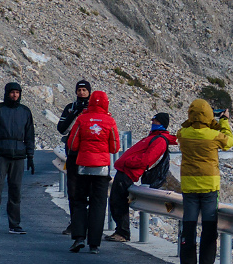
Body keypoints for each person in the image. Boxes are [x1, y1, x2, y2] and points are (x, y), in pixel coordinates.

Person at [176, 98, 233, 264]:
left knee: (189, 226)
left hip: (189, 186)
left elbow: (185, 126)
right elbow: (229, 142)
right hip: (209, 186)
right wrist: (222, 121)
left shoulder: (183, 134)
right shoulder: (214, 135)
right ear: (209, 115)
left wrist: (196, 120)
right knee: (209, 228)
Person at [66, 89, 120, 254]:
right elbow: (115, 147)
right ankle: (94, 244)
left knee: (80, 202)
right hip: (101, 170)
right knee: (98, 205)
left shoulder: (82, 119)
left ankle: (79, 237)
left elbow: (72, 144)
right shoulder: (110, 121)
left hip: (82, 167)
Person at [108, 113, 176, 242]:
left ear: (161, 123)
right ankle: (120, 231)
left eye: (155, 120)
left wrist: (127, 161)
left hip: (129, 172)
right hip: (125, 171)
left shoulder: (160, 140)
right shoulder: (154, 137)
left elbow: (147, 160)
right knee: (116, 202)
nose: (152, 122)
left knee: (119, 202)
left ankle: (123, 233)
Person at [0, 81, 37, 235]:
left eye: (17, 92)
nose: (15, 95)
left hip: (18, 157)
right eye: (12, 92)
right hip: (0, 155)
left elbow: (29, 135)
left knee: (15, 191)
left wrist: (30, 156)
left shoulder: (25, 111)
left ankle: (14, 224)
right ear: (6, 93)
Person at [55, 80, 93, 238]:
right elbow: (62, 129)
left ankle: (89, 222)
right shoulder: (70, 108)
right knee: (73, 190)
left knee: (89, 190)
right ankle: (75, 222)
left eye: (85, 90)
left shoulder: (94, 109)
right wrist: (74, 113)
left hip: (90, 155)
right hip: (73, 154)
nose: (82, 93)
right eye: (79, 90)